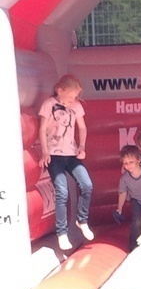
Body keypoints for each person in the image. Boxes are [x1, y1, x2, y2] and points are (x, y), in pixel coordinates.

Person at [38, 73, 93, 251]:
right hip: (54, 155)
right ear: (60, 90)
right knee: (62, 191)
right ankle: (62, 232)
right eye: (70, 97)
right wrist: (44, 151)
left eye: (75, 97)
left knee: (87, 185)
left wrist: (82, 146)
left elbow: (82, 127)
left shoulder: (76, 106)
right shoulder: (49, 104)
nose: (72, 100)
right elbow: (42, 129)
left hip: (71, 154)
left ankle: (82, 220)